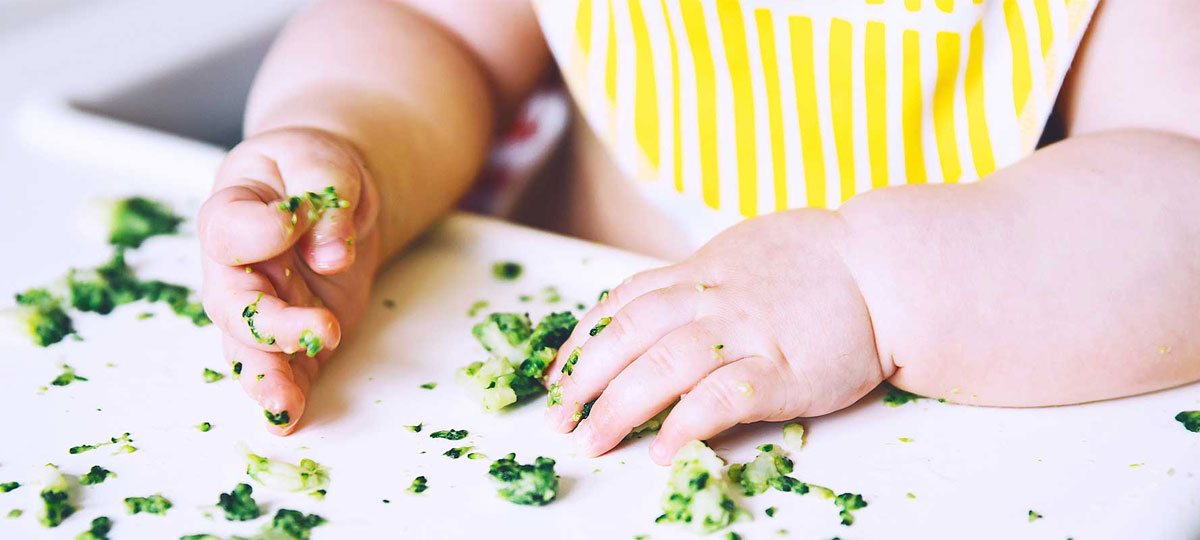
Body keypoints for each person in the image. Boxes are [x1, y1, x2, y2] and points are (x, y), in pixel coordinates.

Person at [197, 0, 1200, 465]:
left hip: (938, 435)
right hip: (560, 401)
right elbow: (430, 27)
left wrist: (871, 280)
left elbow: (1180, 191)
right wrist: (345, 146)